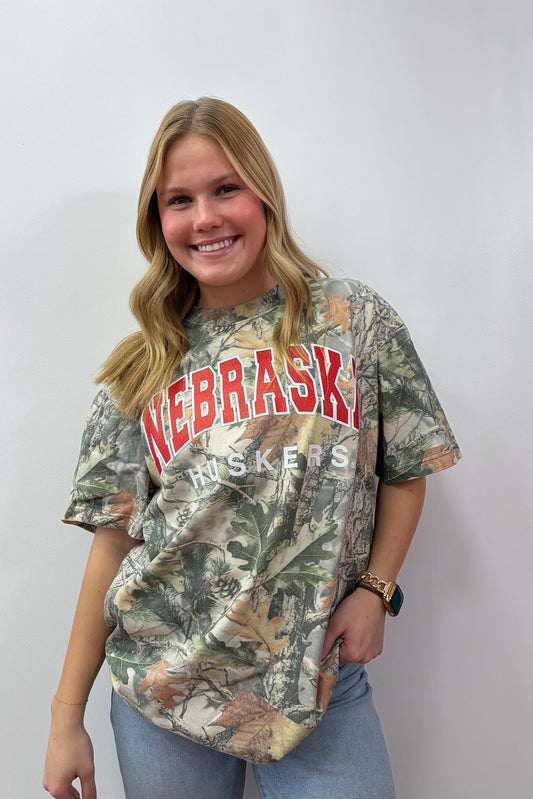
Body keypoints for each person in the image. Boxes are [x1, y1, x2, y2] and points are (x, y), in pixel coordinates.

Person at [43, 97, 461, 799]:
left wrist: (375, 587)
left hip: (318, 682)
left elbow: (407, 464)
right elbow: (111, 550)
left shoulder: (351, 320)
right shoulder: (138, 371)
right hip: (162, 693)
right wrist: (64, 717)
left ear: (262, 192)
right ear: (158, 222)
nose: (204, 217)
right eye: (179, 199)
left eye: (224, 188)